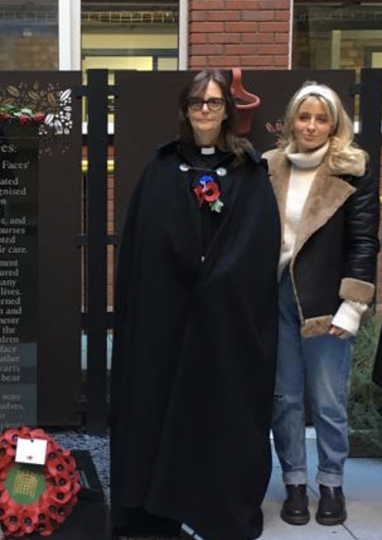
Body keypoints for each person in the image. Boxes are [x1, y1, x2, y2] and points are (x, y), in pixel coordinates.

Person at [110, 69, 280, 540]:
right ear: (185, 110)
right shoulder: (161, 167)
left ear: (227, 109)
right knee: (158, 401)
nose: (205, 111)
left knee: (216, 407)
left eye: (214, 102)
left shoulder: (249, 169)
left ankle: (210, 504)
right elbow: (144, 242)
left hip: (223, 318)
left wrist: (218, 281)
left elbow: (257, 240)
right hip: (165, 315)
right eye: (197, 103)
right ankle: (151, 505)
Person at [266, 82, 378, 527]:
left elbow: (364, 241)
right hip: (274, 300)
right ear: (292, 119)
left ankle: (331, 483)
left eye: (322, 118)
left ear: (335, 124)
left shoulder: (354, 168)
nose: (311, 126)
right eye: (304, 116)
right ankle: (295, 482)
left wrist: (353, 305)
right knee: (284, 398)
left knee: (328, 402)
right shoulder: (269, 166)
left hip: (326, 304)